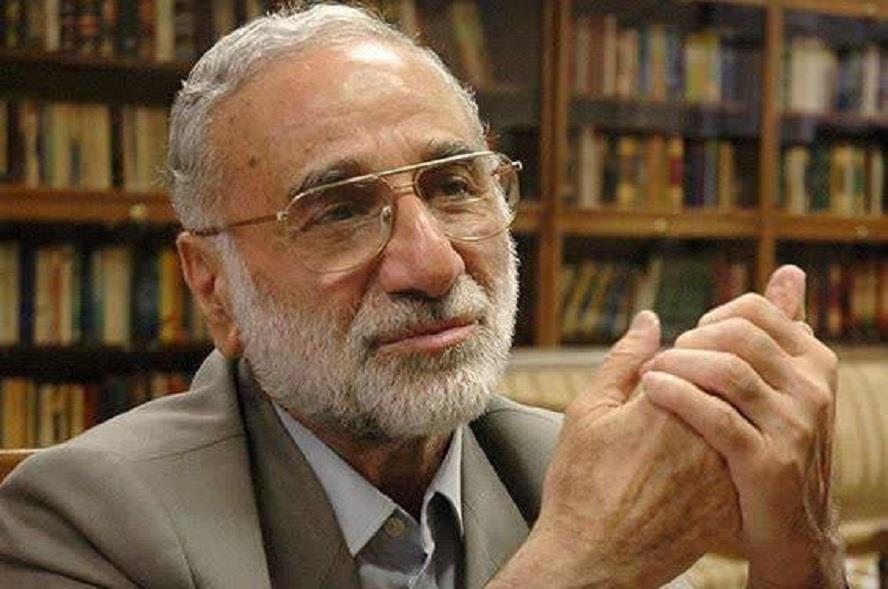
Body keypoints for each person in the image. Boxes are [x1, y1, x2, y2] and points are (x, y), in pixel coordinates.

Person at [0, 5, 844, 588]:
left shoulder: (568, 469)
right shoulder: (83, 522)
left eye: (454, 187)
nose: (431, 265)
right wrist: (577, 567)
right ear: (212, 285)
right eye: (339, 209)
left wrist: (802, 548)